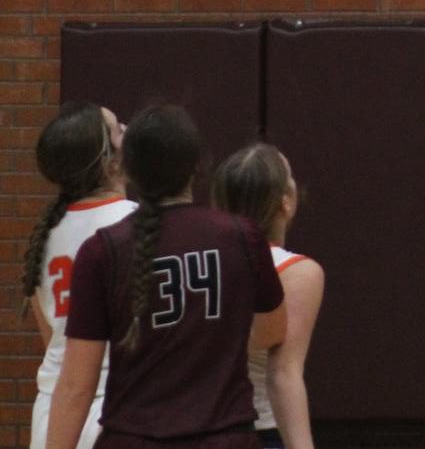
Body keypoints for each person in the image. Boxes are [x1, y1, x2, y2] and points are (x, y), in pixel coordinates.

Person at [44, 104, 286, 449]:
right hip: (225, 438)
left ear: (127, 167)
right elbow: (273, 330)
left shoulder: (101, 251)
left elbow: (76, 385)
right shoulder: (242, 236)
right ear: (198, 166)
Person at [23, 102, 134, 449]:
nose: (127, 130)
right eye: (117, 128)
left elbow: (52, 337)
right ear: (107, 159)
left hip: (53, 412)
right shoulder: (139, 225)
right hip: (117, 412)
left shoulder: (44, 235)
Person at [212, 143, 325, 449]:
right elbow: (283, 373)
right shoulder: (298, 272)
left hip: (195, 430)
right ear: (286, 202)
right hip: (260, 431)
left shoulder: (201, 261)